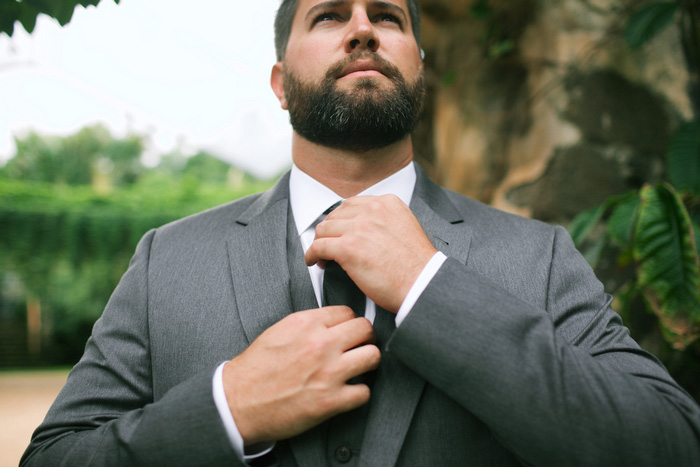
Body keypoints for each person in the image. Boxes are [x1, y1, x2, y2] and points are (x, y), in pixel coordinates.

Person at [21, 0, 700, 465]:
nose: (362, 28)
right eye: (328, 15)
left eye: (387, 16)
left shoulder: (540, 256)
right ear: (282, 84)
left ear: (419, 71)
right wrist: (229, 407)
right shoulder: (167, 260)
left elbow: (671, 444)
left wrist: (429, 286)